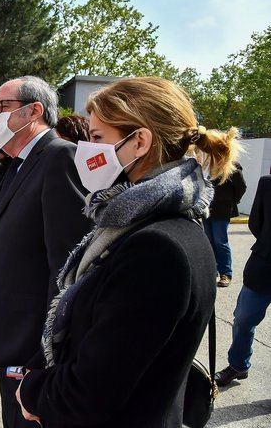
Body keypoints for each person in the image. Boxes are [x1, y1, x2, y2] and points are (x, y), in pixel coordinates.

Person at [16, 77, 238, 427]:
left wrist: (32, 392)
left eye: (97, 138)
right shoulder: (154, 223)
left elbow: (91, 393)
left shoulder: (156, 248)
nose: (87, 150)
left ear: (139, 142)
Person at [0, 76, 92, 427]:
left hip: (33, 346)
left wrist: (45, 352)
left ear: (34, 111)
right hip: (10, 335)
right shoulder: (18, 162)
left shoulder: (60, 157)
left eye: (1, 107)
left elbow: (67, 266)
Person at [215, 175, 271, 387]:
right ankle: (238, 366)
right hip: (264, 266)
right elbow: (256, 223)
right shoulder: (267, 183)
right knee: (243, 318)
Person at [203, 162, 246, 287]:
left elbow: (241, 187)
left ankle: (226, 273)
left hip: (222, 209)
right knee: (209, 241)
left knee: (220, 241)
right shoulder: (206, 164)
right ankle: (212, 271)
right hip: (207, 208)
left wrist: (231, 201)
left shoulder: (231, 164)